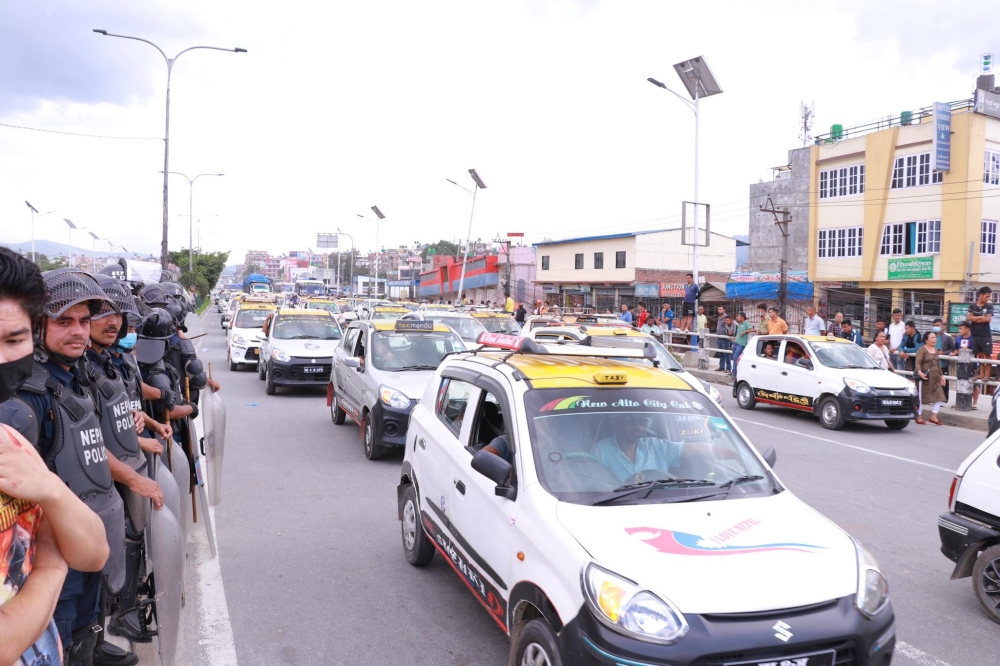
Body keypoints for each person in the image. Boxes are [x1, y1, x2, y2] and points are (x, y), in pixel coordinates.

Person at [4, 269, 129, 665]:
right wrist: (52, 567)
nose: (78, 331)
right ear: (40, 327)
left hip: (83, 539)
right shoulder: (24, 403)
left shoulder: (79, 376)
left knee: (85, 635)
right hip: (45, 568)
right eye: (64, 321)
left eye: (83, 321)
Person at [594, 415, 684, 482]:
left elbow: (694, 449)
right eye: (630, 420)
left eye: (642, 421)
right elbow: (595, 483)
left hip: (661, 501)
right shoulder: (601, 450)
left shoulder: (656, 445)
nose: (637, 426)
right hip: (616, 503)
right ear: (616, 424)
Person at [915, 332, 947, 426]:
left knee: (939, 396)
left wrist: (942, 376)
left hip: (936, 377)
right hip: (925, 377)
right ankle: (919, 416)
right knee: (921, 397)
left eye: (935, 338)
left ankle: (934, 416)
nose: (934, 339)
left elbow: (938, 365)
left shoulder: (936, 350)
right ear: (926, 340)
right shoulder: (922, 350)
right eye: (932, 338)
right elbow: (918, 362)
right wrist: (919, 372)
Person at [967, 286, 994, 384]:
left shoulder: (989, 306)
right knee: (980, 355)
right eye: (986, 296)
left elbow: (987, 319)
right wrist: (980, 317)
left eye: (989, 297)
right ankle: (981, 374)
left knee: (987, 354)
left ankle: (987, 375)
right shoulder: (972, 306)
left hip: (985, 334)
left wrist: (975, 317)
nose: (987, 298)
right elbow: (968, 318)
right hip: (975, 334)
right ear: (981, 295)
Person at [951, 321, 980, 408]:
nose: (959, 330)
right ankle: (959, 402)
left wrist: (968, 349)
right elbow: (956, 349)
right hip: (961, 365)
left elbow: (977, 351)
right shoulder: (958, 338)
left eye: (961, 328)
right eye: (959, 328)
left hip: (973, 365)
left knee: (975, 384)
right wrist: (954, 353)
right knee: (960, 382)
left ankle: (974, 403)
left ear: (967, 329)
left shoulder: (974, 339)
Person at [932, 318, 955, 401]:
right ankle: (933, 398)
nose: (935, 327)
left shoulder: (947, 337)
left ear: (942, 326)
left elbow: (953, 349)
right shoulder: (931, 336)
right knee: (933, 381)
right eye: (934, 326)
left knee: (943, 381)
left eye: (937, 325)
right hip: (932, 363)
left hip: (943, 363)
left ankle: (944, 400)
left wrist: (943, 353)